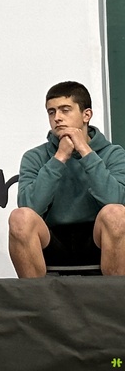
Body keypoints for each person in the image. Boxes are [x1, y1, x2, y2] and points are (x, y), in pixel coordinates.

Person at [8, 81, 125, 277]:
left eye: (65, 110)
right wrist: (59, 158)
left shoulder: (114, 154)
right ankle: (34, 295)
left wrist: (85, 152)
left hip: (98, 239)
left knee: (115, 213)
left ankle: (116, 295)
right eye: (51, 112)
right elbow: (30, 206)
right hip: (51, 240)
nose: (57, 118)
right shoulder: (34, 156)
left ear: (86, 115)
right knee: (20, 217)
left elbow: (116, 200)